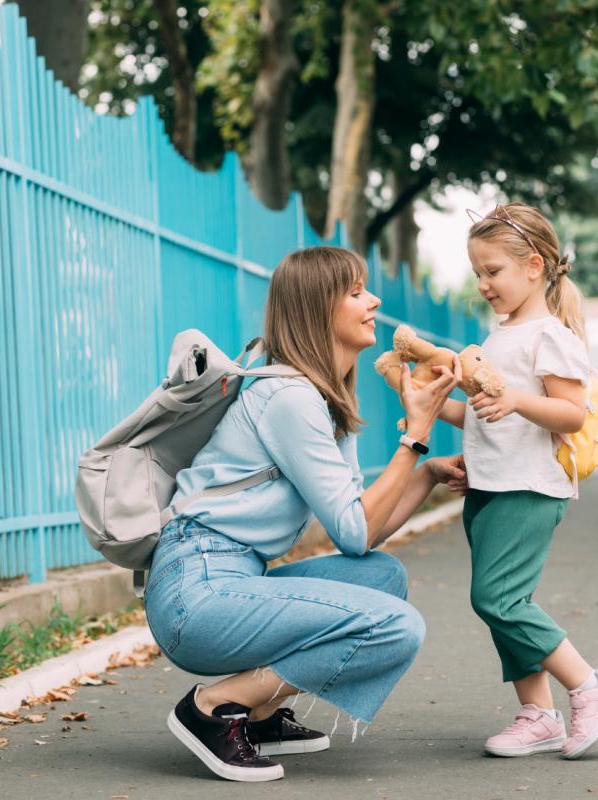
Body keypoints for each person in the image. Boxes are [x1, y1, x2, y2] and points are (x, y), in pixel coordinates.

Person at [144, 245, 466, 782]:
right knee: (397, 627)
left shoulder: (320, 399)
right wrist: (415, 437)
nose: (374, 300)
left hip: (230, 579)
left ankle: (260, 713)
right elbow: (357, 527)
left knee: (382, 576)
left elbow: (359, 539)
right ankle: (215, 706)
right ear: (320, 308)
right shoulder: (288, 398)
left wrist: (426, 474)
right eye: (357, 291)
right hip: (195, 594)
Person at [438, 204, 598, 760]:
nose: (483, 284)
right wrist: (431, 404)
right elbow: (487, 413)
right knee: (508, 599)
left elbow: (570, 413)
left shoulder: (551, 336)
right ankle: (538, 714)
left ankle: (590, 686)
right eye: (478, 272)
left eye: (493, 271)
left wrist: (516, 398)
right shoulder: (499, 336)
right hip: (491, 486)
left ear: (535, 265)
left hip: (530, 487)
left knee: (496, 598)